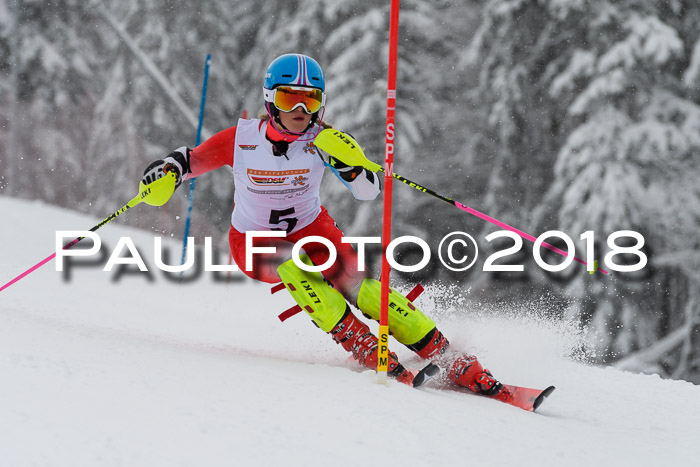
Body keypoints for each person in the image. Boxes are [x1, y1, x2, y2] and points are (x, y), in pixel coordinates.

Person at [143, 53, 506, 395]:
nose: (300, 110)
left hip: (311, 227)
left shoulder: (323, 140)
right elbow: (192, 161)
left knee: (358, 285)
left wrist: (350, 166)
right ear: (270, 101)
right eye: (289, 99)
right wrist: (169, 171)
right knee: (292, 264)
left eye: (310, 100)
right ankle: (358, 340)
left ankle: (444, 352)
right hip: (252, 239)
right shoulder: (242, 140)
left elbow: (367, 190)